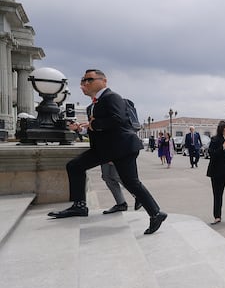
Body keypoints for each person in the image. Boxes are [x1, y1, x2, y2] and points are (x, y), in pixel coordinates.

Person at [48, 69, 167, 236]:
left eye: (89, 79)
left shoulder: (112, 97)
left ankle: (156, 213)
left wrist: (94, 125)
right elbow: (99, 128)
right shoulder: (95, 104)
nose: (85, 83)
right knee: (75, 166)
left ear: (103, 81)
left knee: (131, 182)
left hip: (123, 147)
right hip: (107, 149)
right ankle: (79, 206)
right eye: (83, 80)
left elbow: (118, 119)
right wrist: (83, 129)